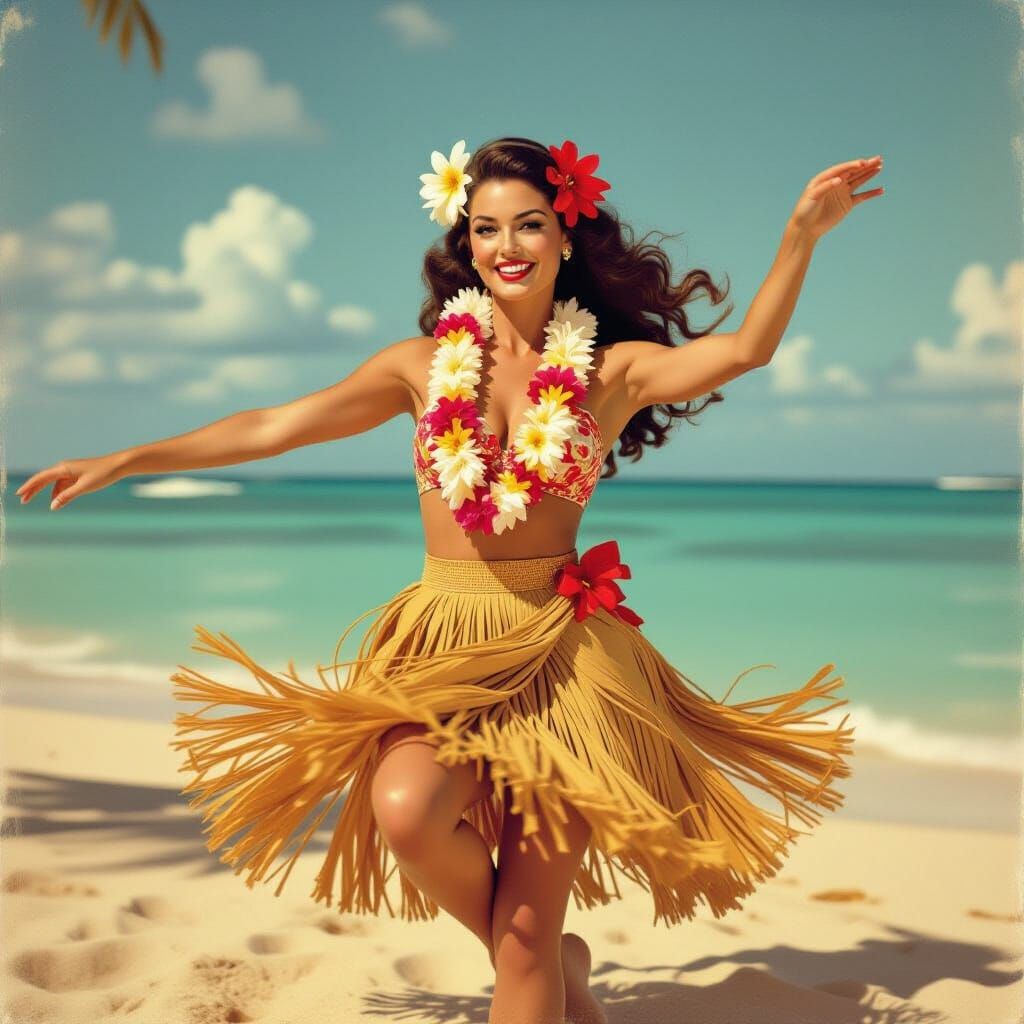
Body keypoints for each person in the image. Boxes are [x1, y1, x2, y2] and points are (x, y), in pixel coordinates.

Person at [16, 136, 882, 1024]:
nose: (509, 245)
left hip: (566, 661)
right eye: (487, 228)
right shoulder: (420, 366)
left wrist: (800, 237)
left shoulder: (610, 370)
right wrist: (130, 457)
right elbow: (279, 425)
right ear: (465, 245)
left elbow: (744, 353)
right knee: (407, 810)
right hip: (439, 641)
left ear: (566, 237)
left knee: (522, 947)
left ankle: (543, 957)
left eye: (530, 225)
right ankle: (551, 959)